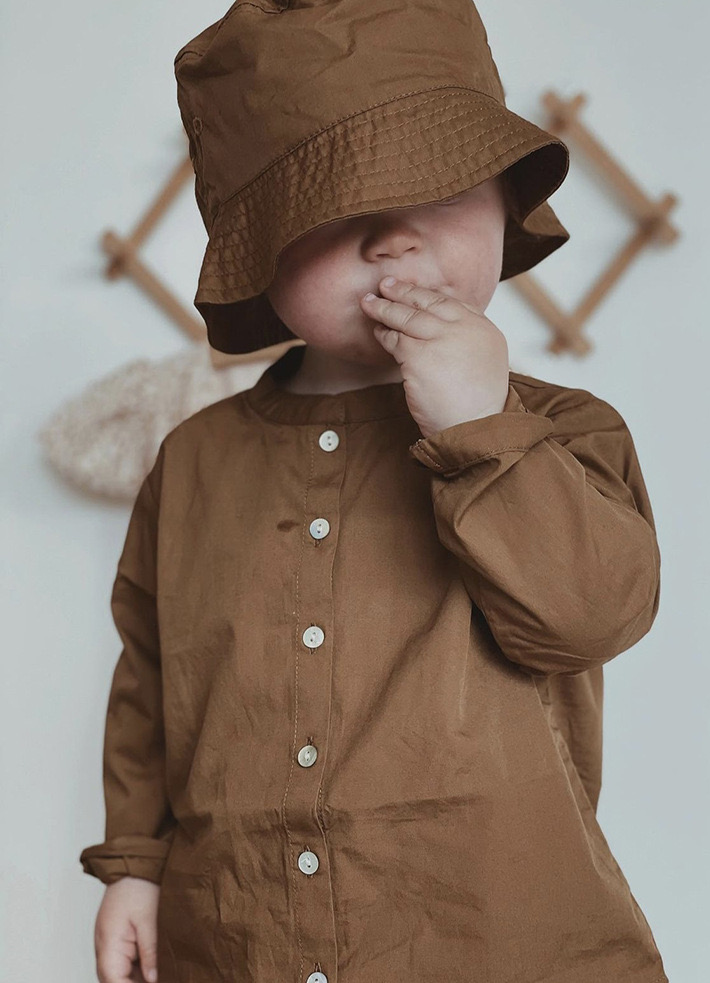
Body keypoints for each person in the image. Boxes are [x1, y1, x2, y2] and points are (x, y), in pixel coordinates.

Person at [79, 2, 669, 981]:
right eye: (337, 205)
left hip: (498, 944)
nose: (395, 240)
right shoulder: (192, 460)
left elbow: (591, 616)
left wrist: (480, 428)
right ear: (258, 247)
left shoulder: (568, 431)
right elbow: (150, 683)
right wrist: (135, 866)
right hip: (242, 940)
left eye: (438, 185)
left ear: (502, 198)